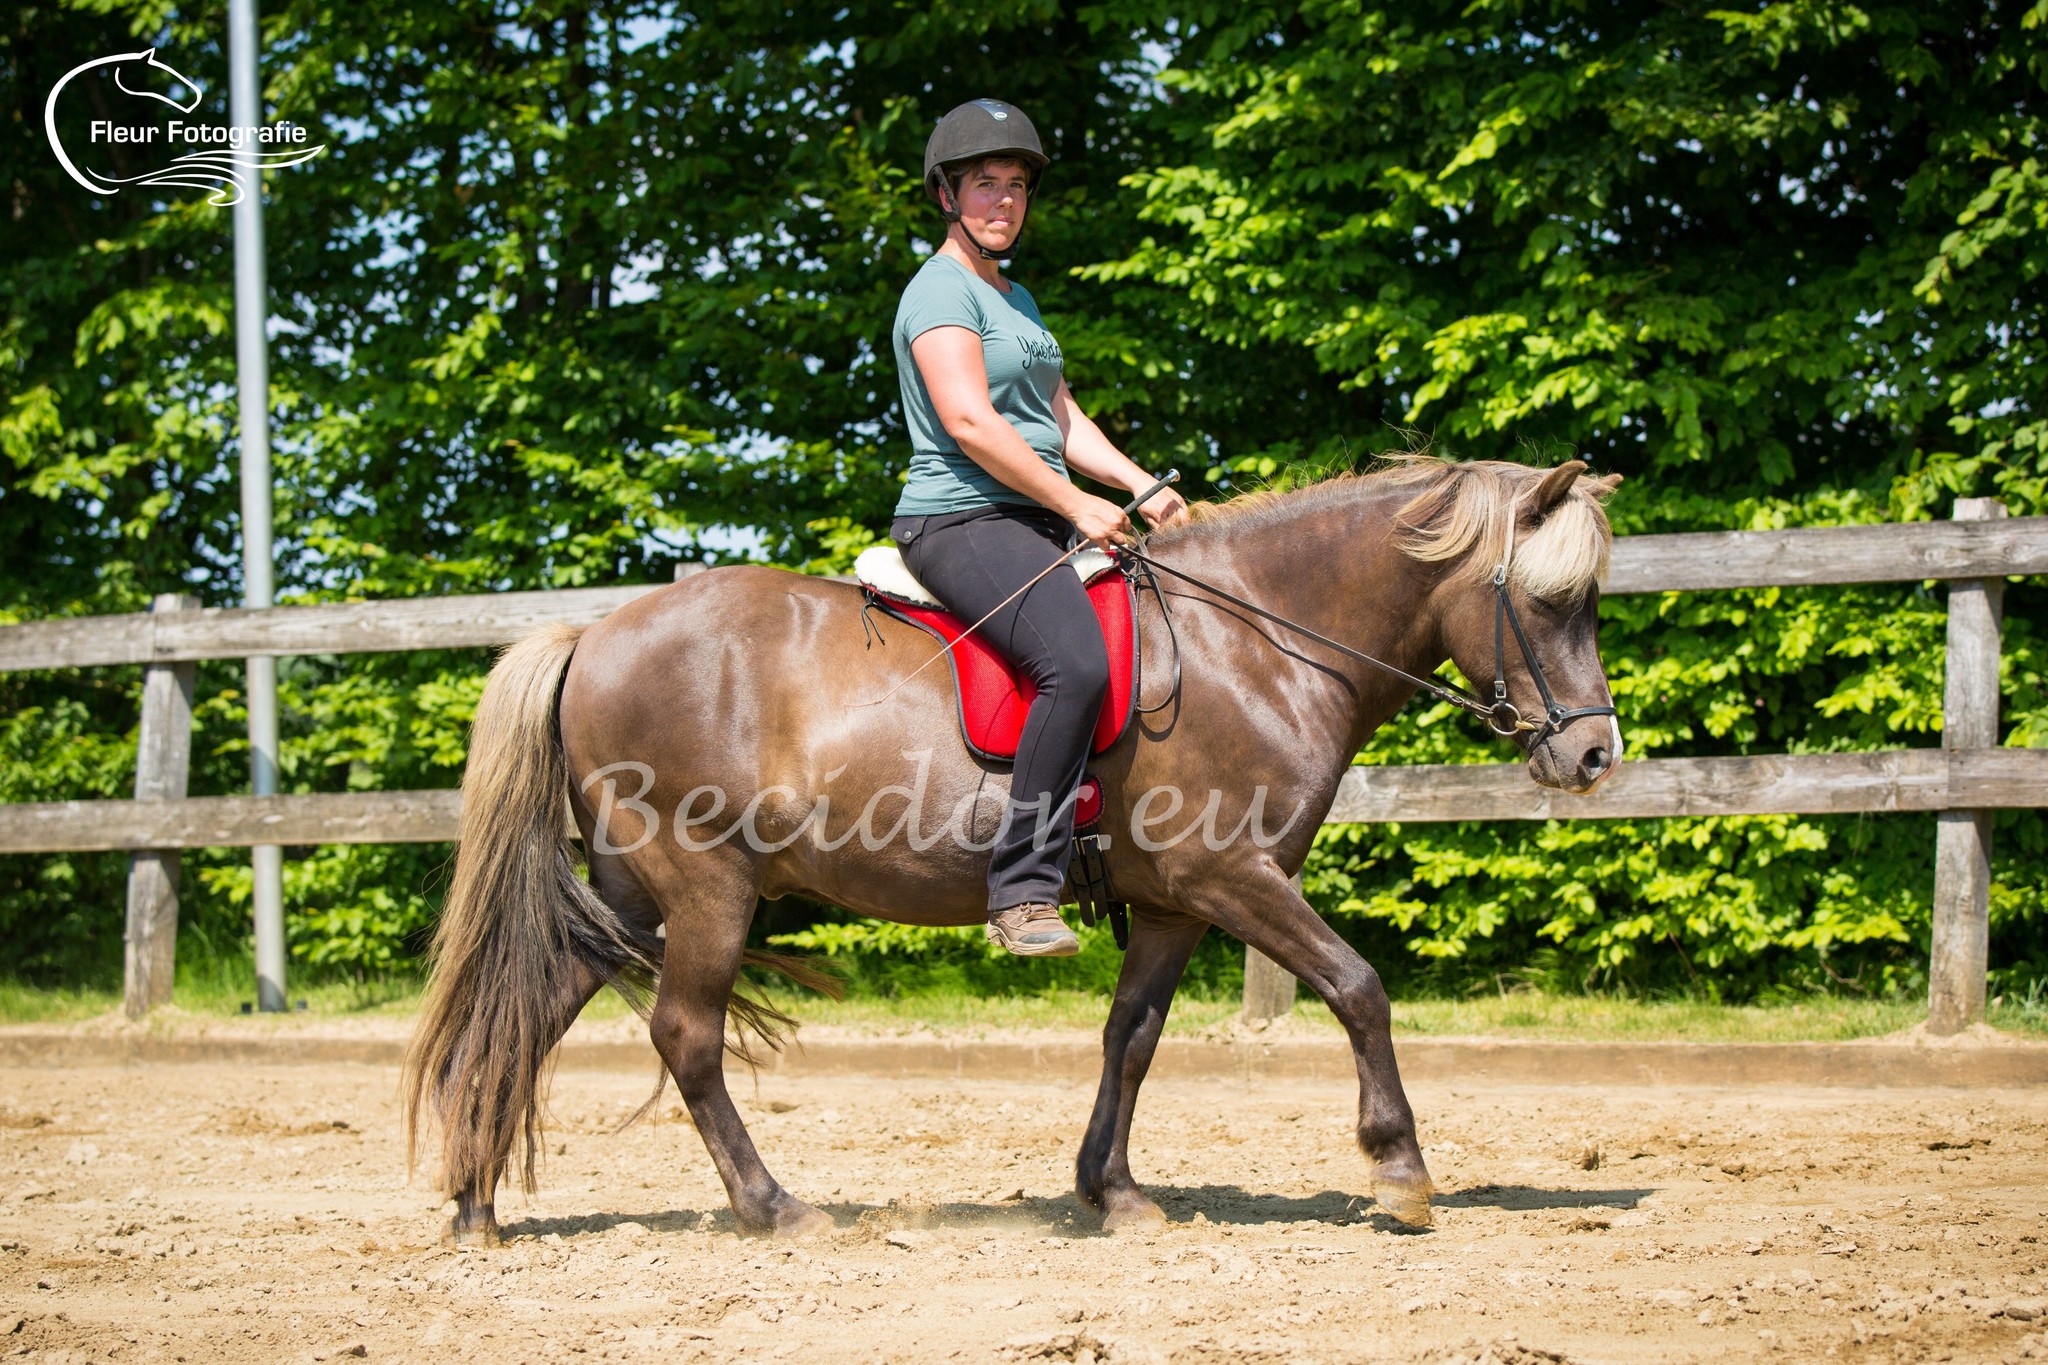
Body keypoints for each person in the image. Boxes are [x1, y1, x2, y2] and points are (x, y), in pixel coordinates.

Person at [888, 98, 1190, 957]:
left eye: (1017, 185)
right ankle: (1022, 890)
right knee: (1076, 661)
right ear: (946, 194)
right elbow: (970, 422)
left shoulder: (1013, 297)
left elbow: (1060, 417)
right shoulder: (939, 290)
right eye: (986, 182)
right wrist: (1074, 504)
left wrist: (1135, 483)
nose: (1005, 200)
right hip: (961, 515)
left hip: (1031, 513)